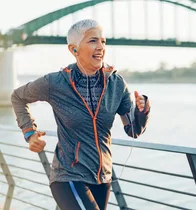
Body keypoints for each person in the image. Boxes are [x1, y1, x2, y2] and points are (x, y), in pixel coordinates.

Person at [11, 19, 150, 210]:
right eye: (93, 41)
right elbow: (17, 97)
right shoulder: (56, 82)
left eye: (103, 41)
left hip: (103, 178)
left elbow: (134, 130)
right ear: (73, 49)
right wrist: (29, 132)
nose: (101, 47)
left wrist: (143, 111)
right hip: (68, 176)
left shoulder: (116, 84)